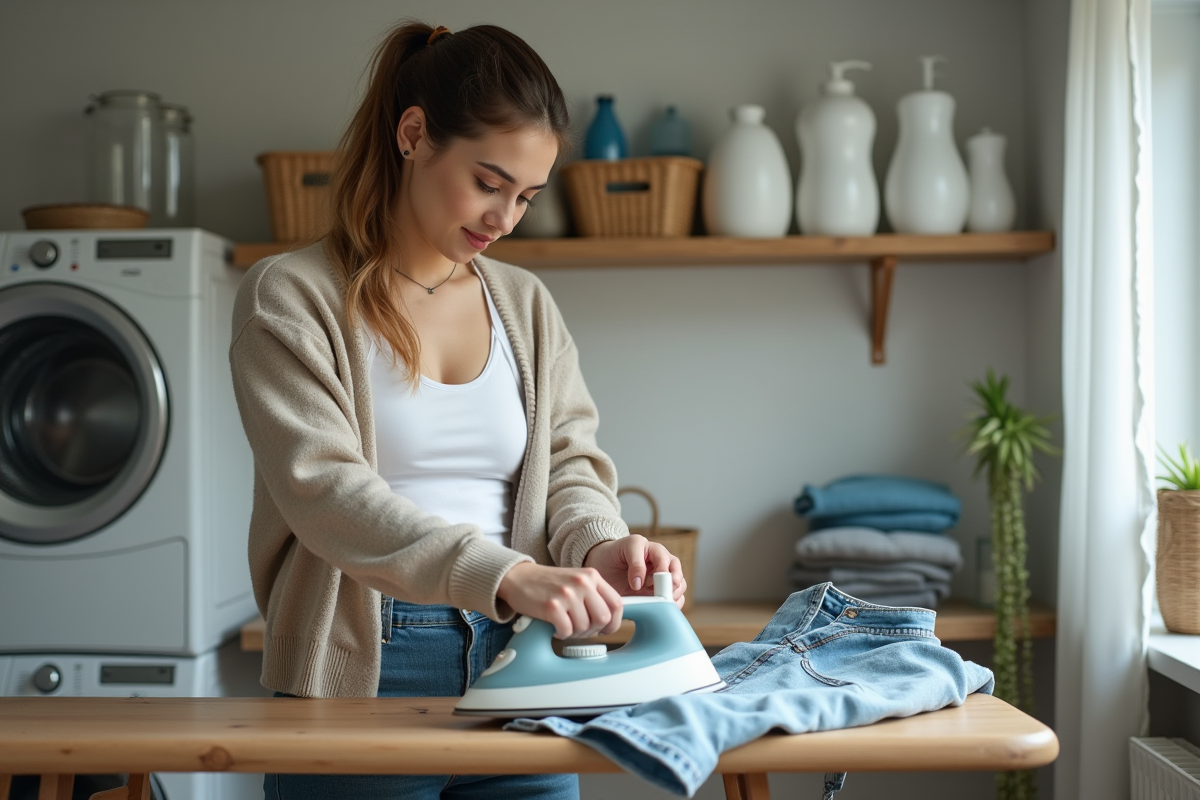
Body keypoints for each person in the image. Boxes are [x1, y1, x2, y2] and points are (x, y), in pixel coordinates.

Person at [228, 19, 685, 800]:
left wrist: (597, 546)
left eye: (527, 196)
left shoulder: (527, 306)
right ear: (414, 135)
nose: (505, 218)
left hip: (524, 662)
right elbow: (326, 495)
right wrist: (507, 575)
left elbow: (571, 463)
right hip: (366, 658)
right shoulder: (290, 297)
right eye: (488, 182)